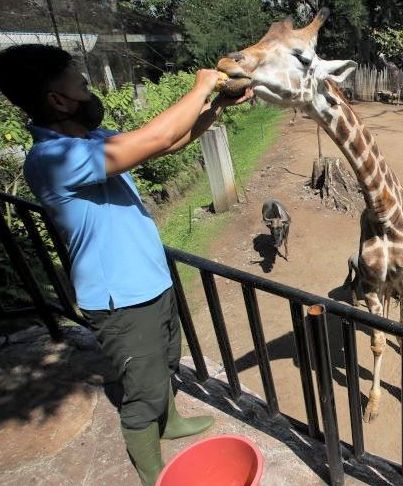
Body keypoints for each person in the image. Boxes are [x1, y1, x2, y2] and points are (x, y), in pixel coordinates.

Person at [0, 44, 252, 485]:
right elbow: (153, 137)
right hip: (119, 296)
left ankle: (170, 422)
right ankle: (152, 471)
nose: (89, 89)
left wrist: (215, 107)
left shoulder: (89, 140)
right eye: (80, 84)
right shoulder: (54, 160)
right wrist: (200, 85)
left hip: (148, 278)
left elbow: (165, 144)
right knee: (142, 391)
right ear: (57, 100)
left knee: (166, 361)